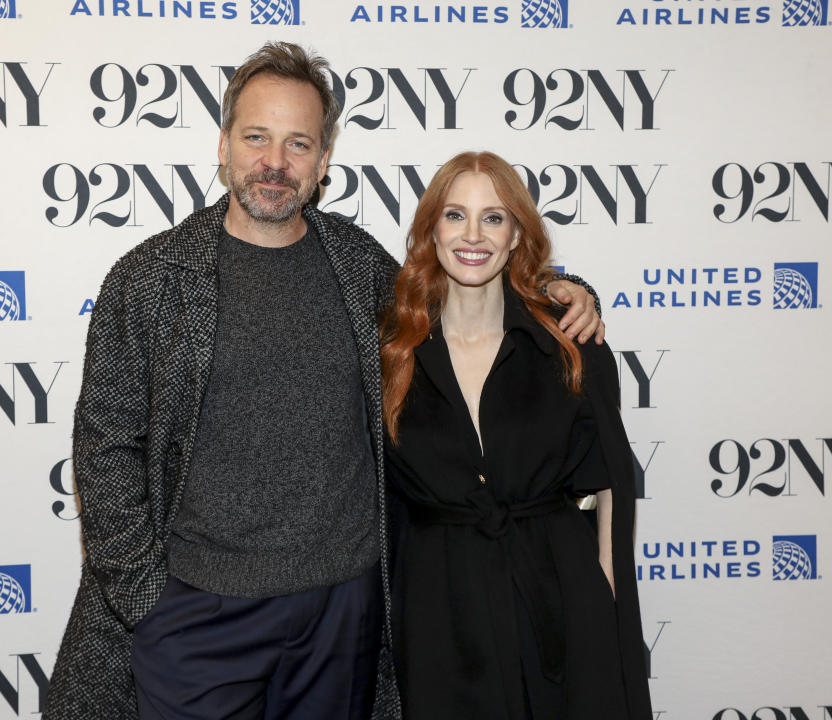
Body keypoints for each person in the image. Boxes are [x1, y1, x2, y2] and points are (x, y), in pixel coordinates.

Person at [44, 44, 603, 720]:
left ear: (324, 161)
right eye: (257, 137)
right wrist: (147, 603)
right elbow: (104, 446)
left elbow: (460, 285)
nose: (275, 162)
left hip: (341, 617)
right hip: (195, 615)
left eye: (298, 143)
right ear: (224, 144)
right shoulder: (150, 279)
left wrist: (558, 288)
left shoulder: (357, 264)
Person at [380, 151, 652, 719]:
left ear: (516, 236)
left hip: (558, 591)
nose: (473, 234)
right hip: (438, 606)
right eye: (455, 215)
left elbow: (609, 480)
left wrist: (604, 596)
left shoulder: (571, 343)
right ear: (432, 229)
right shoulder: (392, 350)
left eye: (494, 218)